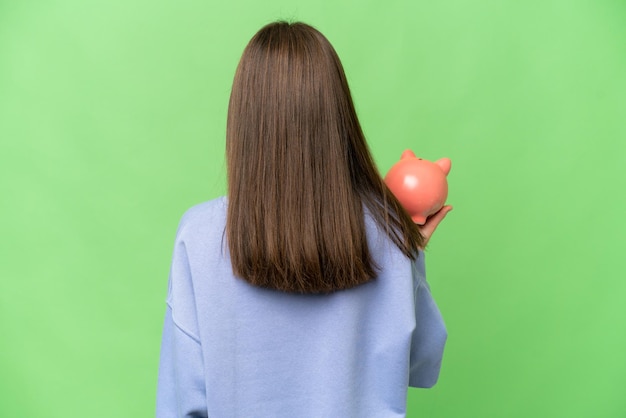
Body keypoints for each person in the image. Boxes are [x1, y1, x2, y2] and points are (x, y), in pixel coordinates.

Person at [156, 21, 451, 418]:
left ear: (244, 120)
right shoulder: (390, 233)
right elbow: (421, 364)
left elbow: (182, 403)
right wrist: (409, 250)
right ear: (338, 119)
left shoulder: (199, 235)